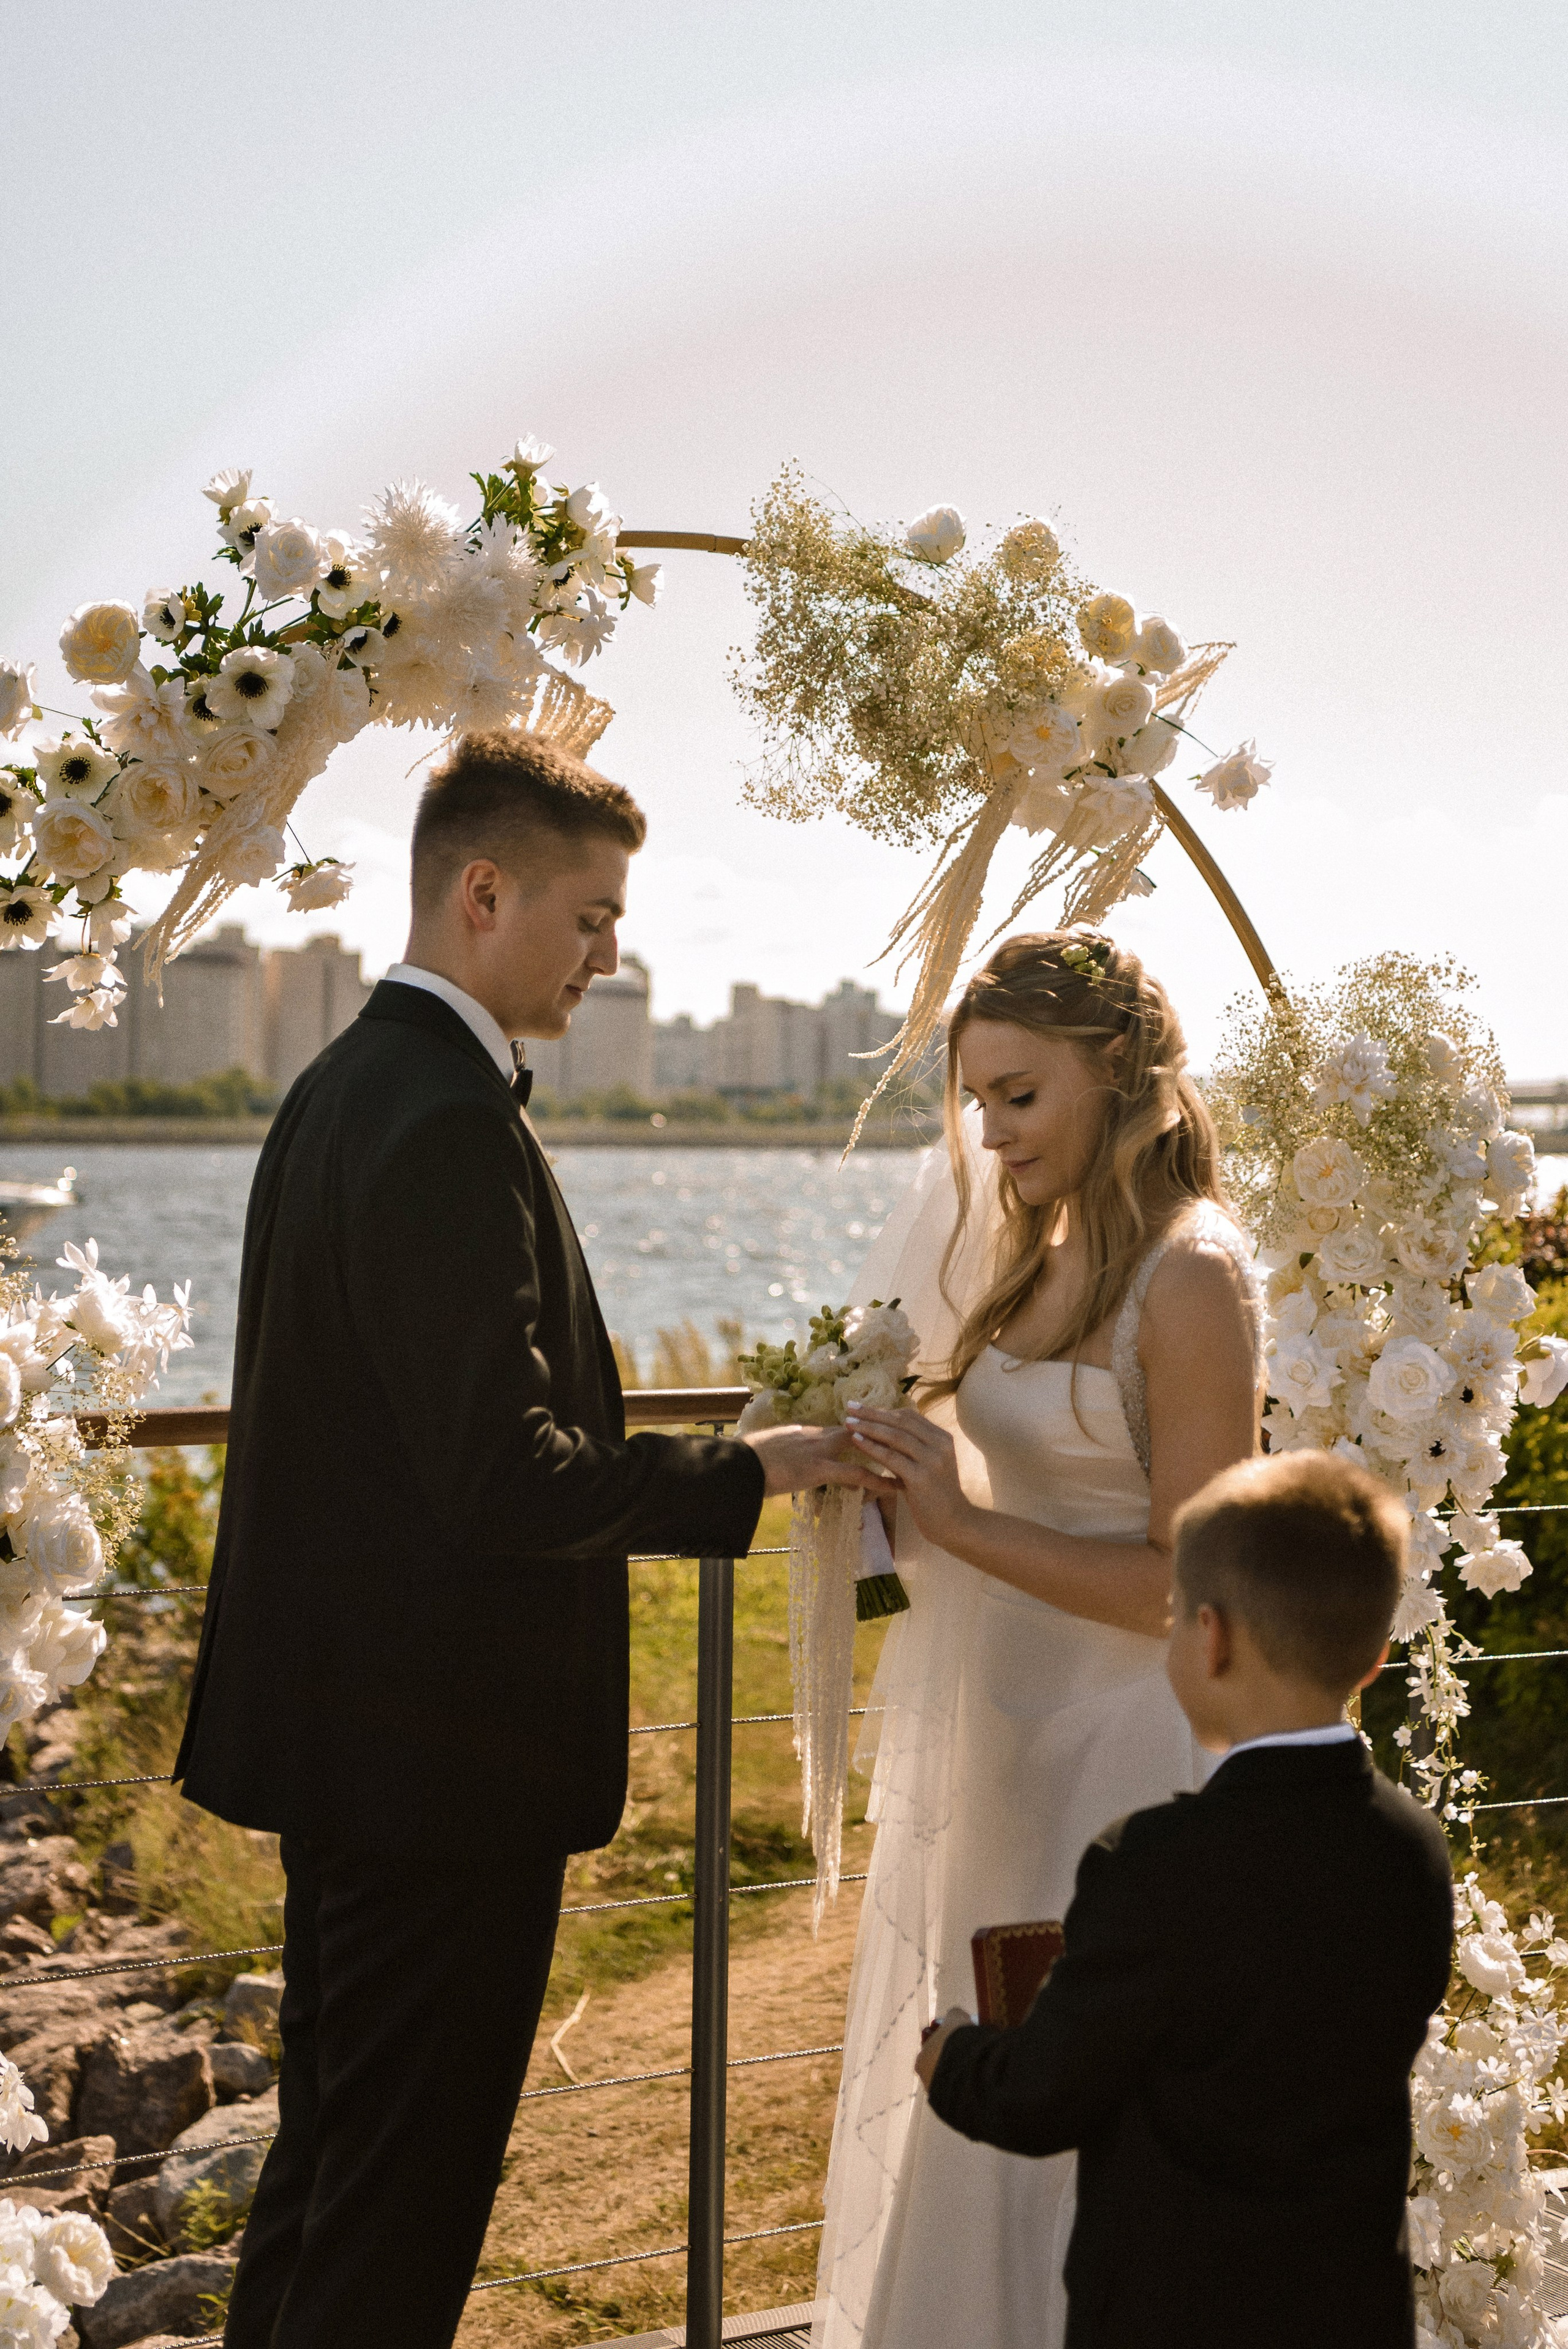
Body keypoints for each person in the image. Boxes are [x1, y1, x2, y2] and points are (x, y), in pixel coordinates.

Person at [173, 730, 869, 2349]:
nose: (613, 955)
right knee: (397, 2225)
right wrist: (746, 1471)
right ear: (483, 892)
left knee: (336, 2179)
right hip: (438, 1774)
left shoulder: (342, 1089)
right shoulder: (439, 1124)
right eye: (594, 917)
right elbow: (509, 1478)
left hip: (362, 1757)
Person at [811, 929, 1264, 2349]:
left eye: (1018, 1095)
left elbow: (1193, 1588)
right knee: (984, 2067)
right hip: (1002, 1749)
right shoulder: (1038, 1247)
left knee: (1086, 2098)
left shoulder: (1190, 1279)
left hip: (1124, 1759)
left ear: (1115, 1068)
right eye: (975, 1103)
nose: (989, 1135)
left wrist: (955, 1522)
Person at [916, 1450, 1454, 2349]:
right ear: (1373, 1660)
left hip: (1176, 2314)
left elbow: (1045, 2093)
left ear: (1212, 1638)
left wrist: (955, 2056)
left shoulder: (1152, 1863)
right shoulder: (1410, 1845)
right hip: (1347, 2309)